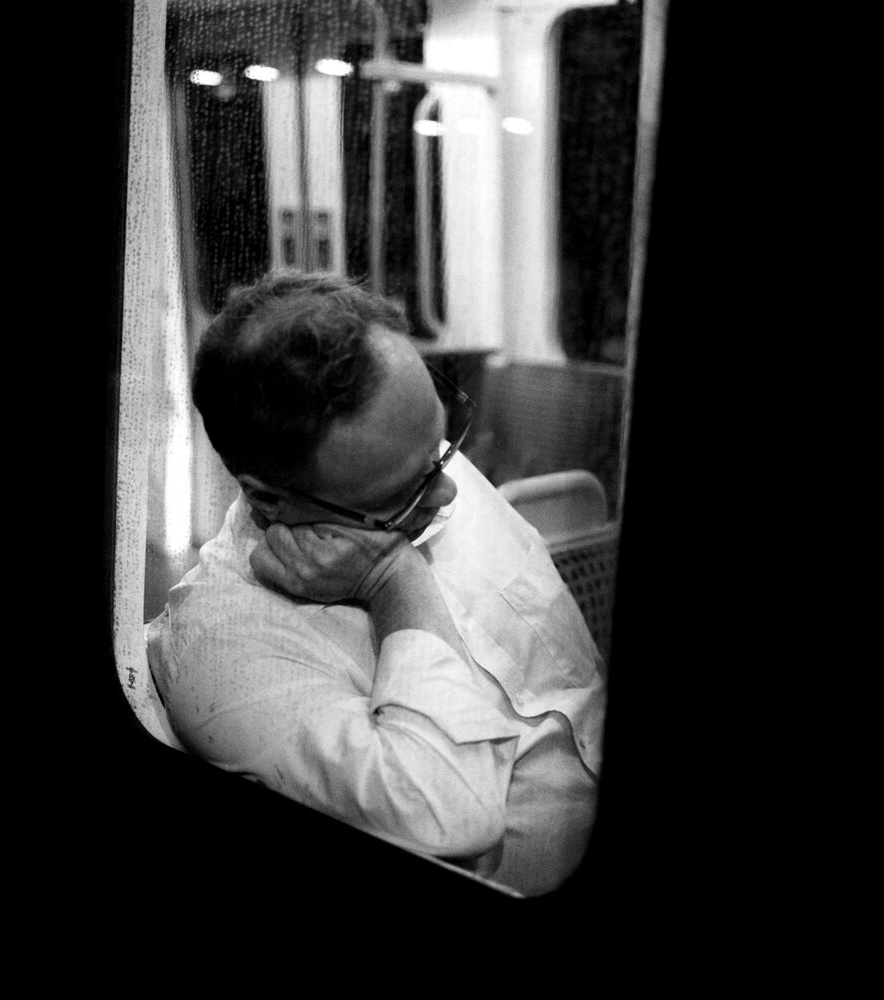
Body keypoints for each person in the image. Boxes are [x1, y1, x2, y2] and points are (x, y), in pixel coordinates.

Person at [146, 270, 606, 896]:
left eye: (442, 444)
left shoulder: (406, 454)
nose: (447, 489)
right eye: (405, 491)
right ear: (268, 497)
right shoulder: (226, 656)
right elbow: (453, 818)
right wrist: (395, 579)